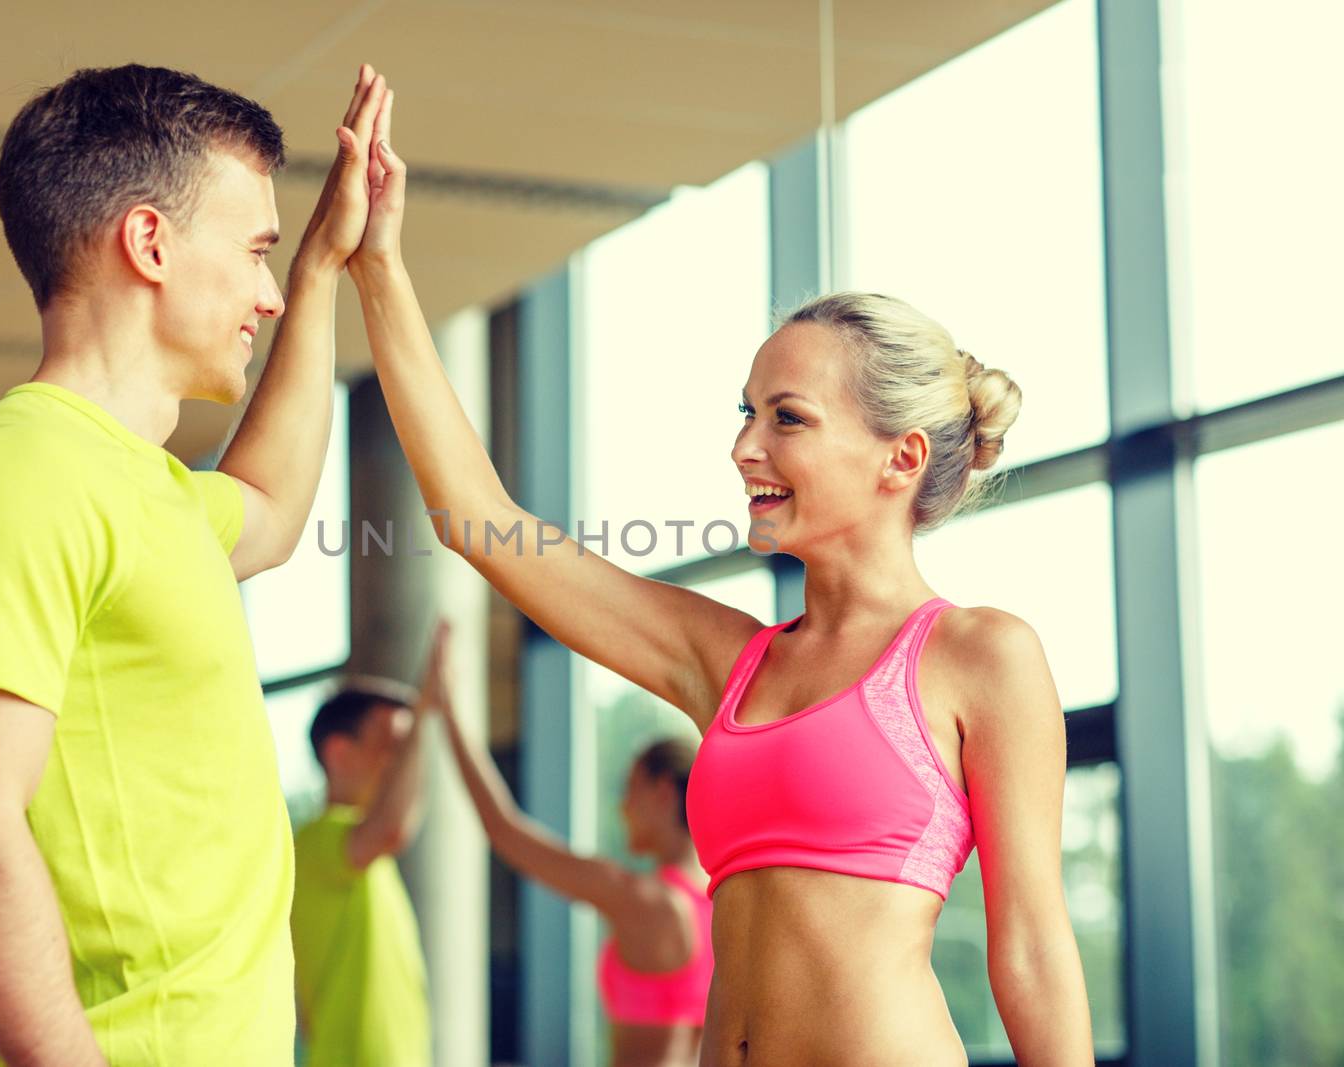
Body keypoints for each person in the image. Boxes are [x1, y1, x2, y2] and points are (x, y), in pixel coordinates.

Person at [341, 95, 1094, 1065]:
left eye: (786, 417)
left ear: (898, 457)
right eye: (744, 412)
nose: (743, 446)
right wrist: (382, 273)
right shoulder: (725, 659)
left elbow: (1030, 946)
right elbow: (480, 524)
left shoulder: (981, 655)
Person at [0, 63, 394, 1066]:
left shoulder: (148, 489)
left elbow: (271, 506)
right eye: (253, 252)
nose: (263, 293)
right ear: (149, 242)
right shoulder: (19, 472)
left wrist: (319, 269)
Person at [432, 665, 712, 1067]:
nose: (623, 807)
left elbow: (505, 831)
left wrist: (449, 713)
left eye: (629, 789)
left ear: (663, 792)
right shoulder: (720, 901)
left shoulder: (649, 900)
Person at [290, 623, 449, 1067]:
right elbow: (392, 828)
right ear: (340, 754)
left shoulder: (363, 856)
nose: (404, 761)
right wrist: (425, 713)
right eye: (392, 746)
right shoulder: (317, 842)